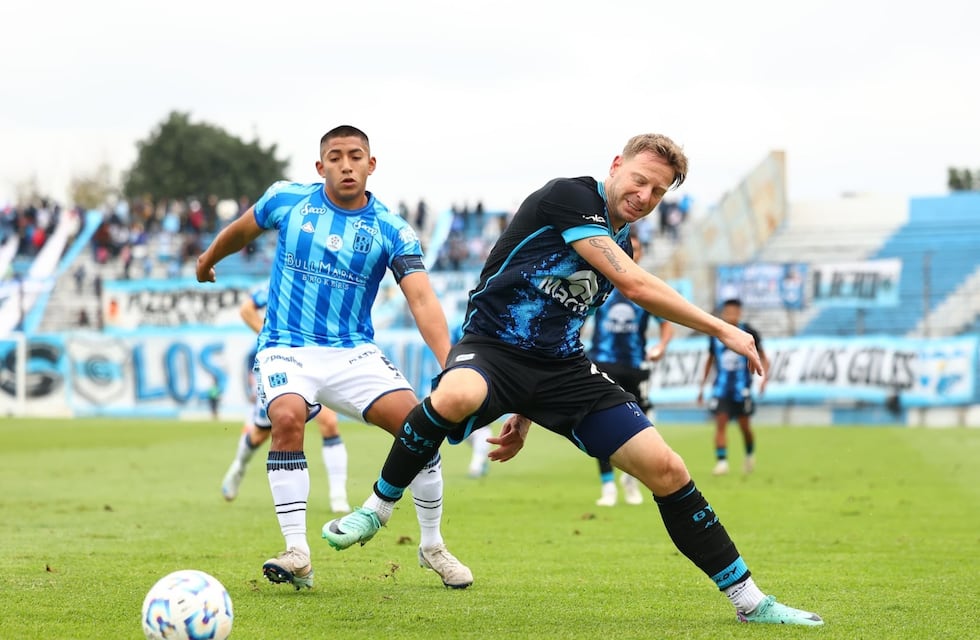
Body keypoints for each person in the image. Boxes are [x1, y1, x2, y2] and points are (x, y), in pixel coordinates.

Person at [323, 133, 823, 626]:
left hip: (561, 370)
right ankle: (377, 507)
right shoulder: (570, 196)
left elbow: (566, 316)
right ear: (615, 166)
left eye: (658, 192)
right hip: (492, 349)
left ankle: (751, 601)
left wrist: (525, 411)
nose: (644, 197)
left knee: (668, 469)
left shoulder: (626, 240)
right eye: (639, 180)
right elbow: (633, 284)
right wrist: (723, 329)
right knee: (457, 393)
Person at [196, 125, 472, 592]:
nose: (347, 165)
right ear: (320, 166)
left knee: (420, 426)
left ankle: (432, 546)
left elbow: (422, 300)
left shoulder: (391, 229)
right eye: (336, 157)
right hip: (285, 345)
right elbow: (240, 231)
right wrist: (207, 259)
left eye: (356, 156)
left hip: (352, 353)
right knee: (286, 418)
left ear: (371, 164)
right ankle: (297, 552)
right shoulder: (287, 200)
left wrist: (453, 365)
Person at [221, 282, 349, 514]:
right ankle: (239, 466)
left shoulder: (324, 280)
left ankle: (338, 496)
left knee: (329, 423)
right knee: (261, 433)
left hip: (317, 361)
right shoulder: (280, 281)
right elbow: (247, 310)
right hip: (281, 364)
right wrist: (274, 340)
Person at [588, 234, 674, 507]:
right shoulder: (600, 281)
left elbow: (666, 321)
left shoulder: (646, 286)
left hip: (636, 367)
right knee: (599, 424)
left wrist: (661, 345)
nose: (631, 252)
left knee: (641, 427)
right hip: (603, 363)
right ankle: (608, 488)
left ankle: (631, 481)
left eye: (636, 249)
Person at [696, 298, 769, 476]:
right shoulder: (715, 334)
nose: (731, 315)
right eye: (728, 311)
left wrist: (763, 379)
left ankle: (749, 455)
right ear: (723, 313)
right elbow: (710, 360)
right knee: (720, 424)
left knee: (745, 427)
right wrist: (702, 386)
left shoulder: (749, 333)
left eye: (734, 311)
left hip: (742, 389)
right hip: (721, 389)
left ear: (739, 312)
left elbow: (764, 358)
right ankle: (722, 462)